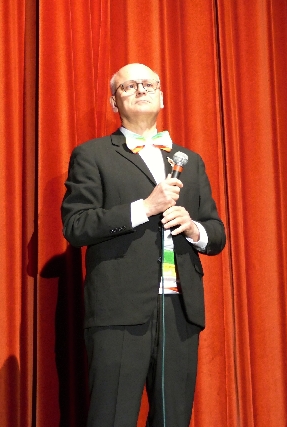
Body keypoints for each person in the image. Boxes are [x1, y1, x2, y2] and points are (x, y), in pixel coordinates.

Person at [61, 63, 226, 427]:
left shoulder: (190, 161)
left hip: (179, 310)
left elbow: (216, 233)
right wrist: (145, 208)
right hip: (119, 311)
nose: (140, 90)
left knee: (173, 419)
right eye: (129, 86)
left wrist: (193, 228)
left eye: (149, 84)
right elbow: (76, 226)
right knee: (112, 417)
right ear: (113, 102)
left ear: (161, 97)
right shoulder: (92, 155)